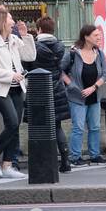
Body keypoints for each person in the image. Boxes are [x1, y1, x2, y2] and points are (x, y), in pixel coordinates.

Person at [0, 7, 36, 180]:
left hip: (17, 87)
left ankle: (8, 164)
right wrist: (11, 75)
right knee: (11, 122)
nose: (13, 22)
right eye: (10, 19)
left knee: (15, 125)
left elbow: (30, 56)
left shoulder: (13, 39)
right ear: (2, 22)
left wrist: (25, 36)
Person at [25, 17, 71, 173]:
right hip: (57, 89)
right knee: (57, 126)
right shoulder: (60, 46)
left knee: (38, 126)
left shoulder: (35, 47)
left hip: (39, 89)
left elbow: (28, 66)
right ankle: (65, 160)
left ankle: (42, 160)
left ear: (39, 30)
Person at [61, 24, 106, 167]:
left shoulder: (99, 54)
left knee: (95, 126)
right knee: (78, 127)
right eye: (95, 35)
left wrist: (94, 87)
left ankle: (95, 155)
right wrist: (71, 85)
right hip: (77, 97)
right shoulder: (73, 54)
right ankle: (75, 156)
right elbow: (60, 71)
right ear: (86, 37)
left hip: (94, 96)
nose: (99, 37)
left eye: (99, 34)